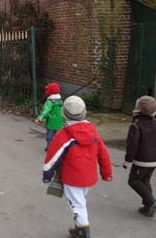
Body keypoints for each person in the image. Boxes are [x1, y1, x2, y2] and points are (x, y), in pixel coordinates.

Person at [43, 96, 113, 238]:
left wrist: (47, 174)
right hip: (89, 177)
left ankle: (83, 231)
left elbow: (53, 155)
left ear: (64, 114)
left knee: (77, 205)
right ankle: (79, 228)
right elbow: (104, 154)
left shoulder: (64, 135)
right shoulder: (93, 132)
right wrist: (107, 173)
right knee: (80, 201)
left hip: (72, 177)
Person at [123, 95, 156, 218]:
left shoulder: (136, 124)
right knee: (145, 180)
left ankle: (151, 201)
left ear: (139, 109)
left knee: (134, 181)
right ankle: (148, 206)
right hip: (153, 159)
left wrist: (127, 161)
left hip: (141, 160)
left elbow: (132, 144)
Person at [35, 83, 64, 150]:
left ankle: (50, 147)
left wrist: (39, 119)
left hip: (51, 122)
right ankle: (57, 148)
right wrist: (64, 121)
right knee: (57, 136)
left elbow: (45, 110)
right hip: (59, 122)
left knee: (49, 136)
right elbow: (63, 111)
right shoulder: (61, 101)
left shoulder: (49, 101)